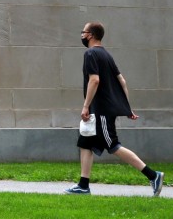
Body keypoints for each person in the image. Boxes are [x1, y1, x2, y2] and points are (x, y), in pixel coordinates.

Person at [66, 21, 163, 196]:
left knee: (113, 145)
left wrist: (86, 105)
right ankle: (83, 185)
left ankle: (153, 175)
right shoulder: (107, 55)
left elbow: (94, 80)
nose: (82, 34)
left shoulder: (90, 54)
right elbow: (122, 81)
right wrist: (128, 108)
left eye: (84, 32)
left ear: (91, 35)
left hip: (100, 110)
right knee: (85, 143)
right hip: (100, 110)